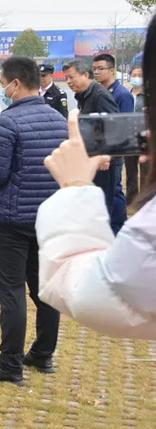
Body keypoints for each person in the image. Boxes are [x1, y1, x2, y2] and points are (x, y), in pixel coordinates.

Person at [37, 33, 156, 339]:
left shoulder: (100, 96)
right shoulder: (88, 95)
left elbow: (92, 294)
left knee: (105, 198)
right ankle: (115, 232)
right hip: (99, 161)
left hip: (99, 163)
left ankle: (111, 235)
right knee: (114, 199)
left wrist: (75, 187)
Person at [0, 57, 68, 384]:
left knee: (10, 291)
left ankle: (10, 364)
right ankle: (43, 354)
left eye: (2, 81)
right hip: (48, 217)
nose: (1, 87)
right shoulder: (58, 119)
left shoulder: (7, 122)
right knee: (45, 290)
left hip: (12, 220)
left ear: (16, 83)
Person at [63, 59, 124, 234]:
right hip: (92, 159)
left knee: (103, 205)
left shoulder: (99, 95)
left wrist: (107, 154)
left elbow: (115, 125)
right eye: (66, 78)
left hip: (104, 161)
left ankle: (106, 242)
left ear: (85, 75)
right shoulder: (83, 96)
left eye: (71, 77)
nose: (69, 82)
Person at [93, 53, 132, 222]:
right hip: (100, 150)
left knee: (114, 191)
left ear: (112, 71)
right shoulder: (99, 92)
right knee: (111, 191)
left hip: (113, 152)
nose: (96, 72)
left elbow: (123, 126)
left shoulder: (121, 94)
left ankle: (118, 225)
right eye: (94, 69)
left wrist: (112, 153)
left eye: (101, 69)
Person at [126, 67, 146, 203]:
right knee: (130, 171)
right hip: (128, 138)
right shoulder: (126, 95)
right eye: (134, 75)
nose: (136, 77)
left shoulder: (148, 96)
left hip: (145, 138)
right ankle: (131, 200)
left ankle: (145, 199)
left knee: (146, 170)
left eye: (139, 75)